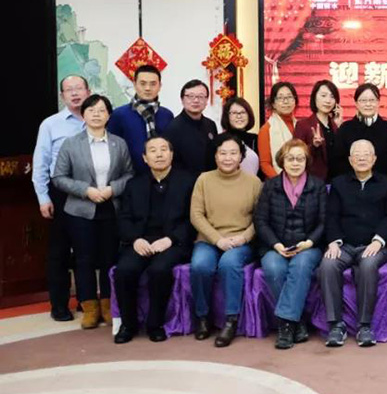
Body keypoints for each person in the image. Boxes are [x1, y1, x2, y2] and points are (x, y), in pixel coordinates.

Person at [52, 94, 134, 329]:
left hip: (111, 208)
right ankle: (89, 306)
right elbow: (59, 177)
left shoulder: (119, 143)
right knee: (84, 259)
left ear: (109, 115)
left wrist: (112, 189)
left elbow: (129, 174)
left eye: (101, 110)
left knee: (110, 257)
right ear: (83, 115)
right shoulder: (71, 144)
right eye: (91, 110)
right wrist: (86, 190)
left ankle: (108, 305)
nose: (96, 114)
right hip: (80, 210)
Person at [113, 136, 196, 344]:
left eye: (164, 149)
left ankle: (155, 324)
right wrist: (135, 239)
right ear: (144, 158)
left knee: (159, 270)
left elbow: (193, 218)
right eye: (153, 150)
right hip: (140, 240)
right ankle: (128, 324)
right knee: (124, 270)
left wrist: (171, 239)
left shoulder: (188, 181)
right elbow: (124, 218)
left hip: (172, 241)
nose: (159, 154)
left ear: (172, 154)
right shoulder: (134, 184)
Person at [319, 139, 387, 348]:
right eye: (357, 155)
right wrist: (333, 243)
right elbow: (331, 216)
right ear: (350, 160)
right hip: (344, 245)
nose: (362, 158)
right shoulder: (338, 184)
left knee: (368, 265)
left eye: (366, 154)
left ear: (374, 159)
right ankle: (336, 325)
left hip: (374, 245)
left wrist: (378, 240)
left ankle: (364, 325)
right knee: (327, 265)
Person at [189, 133, 263, 347]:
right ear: (215, 156)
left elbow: (260, 218)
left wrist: (243, 237)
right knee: (200, 265)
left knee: (229, 264)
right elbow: (196, 215)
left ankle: (231, 320)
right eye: (222, 153)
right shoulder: (204, 179)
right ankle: (202, 316)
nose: (228, 158)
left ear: (241, 156)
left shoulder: (254, 182)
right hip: (209, 239)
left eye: (233, 153)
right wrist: (217, 239)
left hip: (241, 241)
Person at [254, 139, 326, 349]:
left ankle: (285, 326)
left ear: (307, 161)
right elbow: (260, 221)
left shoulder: (318, 186)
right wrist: (276, 244)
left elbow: (324, 222)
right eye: (290, 158)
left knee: (300, 265)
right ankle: (297, 321)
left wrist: (309, 242)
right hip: (275, 245)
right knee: (273, 268)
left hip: (308, 246)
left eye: (300, 159)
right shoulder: (270, 186)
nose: (295, 163)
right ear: (282, 161)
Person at [32, 74, 87, 320]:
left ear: (88, 92)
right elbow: (41, 163)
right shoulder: (51, 124)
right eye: (69, 90)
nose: (75, 93)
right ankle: (59, 304)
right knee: (60, 252)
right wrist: (43, 197)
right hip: (61, 193)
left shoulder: (99, 119)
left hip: (91, 192)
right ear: (62, 95)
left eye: (79, 88)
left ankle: (87, 300)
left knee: (87, 250)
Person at [108, 64, 173, 175]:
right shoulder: (119, 114)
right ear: (134, 84)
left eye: (153, 84)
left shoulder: (166, 115)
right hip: (129, 176)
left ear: (160, 86)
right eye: (143, 83)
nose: (147, 88)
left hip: (162, 176)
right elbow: (113, 149)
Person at [332, 83, 387, 178]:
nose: (368, 104)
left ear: (378, 102)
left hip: (383, 183)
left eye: (372, 100)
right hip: (351, 183)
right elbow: (338, 161)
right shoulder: (345, 128)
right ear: (356, 103)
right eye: (363, 100)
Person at [162, 79, 217, 175]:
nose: (196, 100)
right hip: (183, 182)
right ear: (182, 99)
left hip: (210, 180)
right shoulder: (173, 128)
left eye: (201, 96)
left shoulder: (211, 125)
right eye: (190, 96)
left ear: (206, 100)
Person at [293, 80, 339, 182]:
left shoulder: (336, 125)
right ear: (314, 98)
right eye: (323, 96)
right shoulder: (303, 125)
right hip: (313, 183)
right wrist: (314, 146)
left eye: (332, 97)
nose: (328, 100)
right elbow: (296, 155)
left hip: (336, 182)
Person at [259, 81, 298, 179]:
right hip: (278, 183)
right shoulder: (266, 129)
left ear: (295, 101)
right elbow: (265, 164)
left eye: (289, 97)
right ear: (273, 103)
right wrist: (282, 182)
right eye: (280, 98)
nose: (286, 101)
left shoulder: (300, 125)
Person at [221, 96, 260, 177]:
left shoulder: (255, 139)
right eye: (234, 113)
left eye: (243, 112)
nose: (239, 116)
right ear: (227, 116)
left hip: (254, 184)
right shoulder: (219, 140)